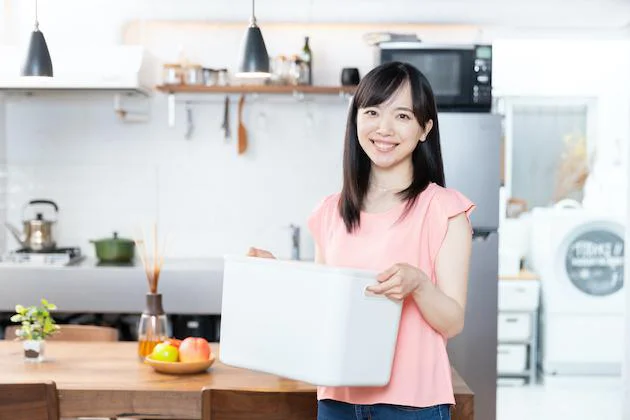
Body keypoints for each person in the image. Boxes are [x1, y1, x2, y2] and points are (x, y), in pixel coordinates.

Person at [248, 61, 474, 420]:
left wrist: (419, 284)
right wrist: (275, 279)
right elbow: (323, 313)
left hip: (412, 405)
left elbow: (453, 322)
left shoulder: (444, 209)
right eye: (372, 112)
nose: (384, 128)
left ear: (424, 128)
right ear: (356, 120)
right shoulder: (330, 211)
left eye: (402, 116)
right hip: (337, 399)